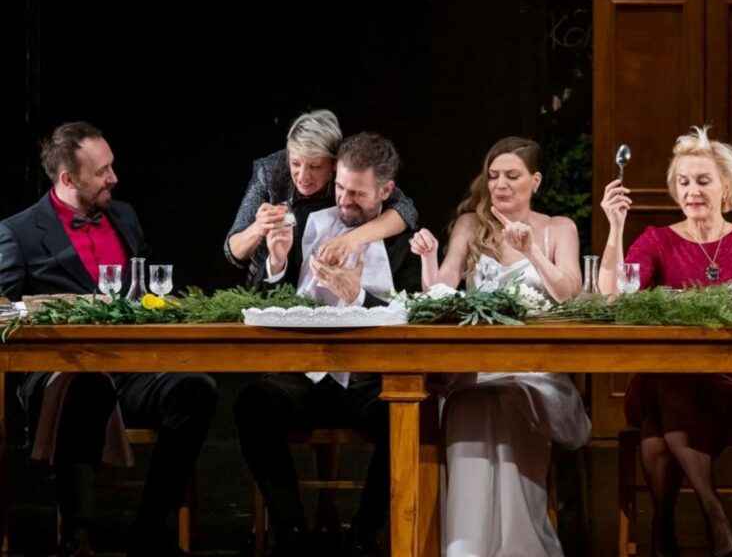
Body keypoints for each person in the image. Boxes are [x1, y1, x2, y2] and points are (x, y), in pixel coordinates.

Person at [0, 122, 217, 557]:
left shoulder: (124, 216)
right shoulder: (18, 231)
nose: (113, 178)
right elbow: (3, 308)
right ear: (67, 179)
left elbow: (149, 286)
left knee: (197, 389)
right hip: (61, 375)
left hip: (130, 369)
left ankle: (150, 532)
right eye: (101, 172)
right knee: (87, 385)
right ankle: (76, 535)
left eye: (111, 166)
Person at [598, 127, 732, 557]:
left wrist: (725, 300)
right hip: (659, 384)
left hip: (725, 385)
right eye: (683, 182)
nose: (691, 191)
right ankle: (716, 521)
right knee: (669, 379)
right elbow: (614, 297)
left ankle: (662, 530)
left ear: (726, 186)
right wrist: (616, 226)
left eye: (703, 180)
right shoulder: (657, 239)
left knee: (655, 434)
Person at [234, 132, 421, 557]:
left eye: (357, 193)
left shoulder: (404, 240)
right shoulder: (311, 222)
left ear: (386, 191)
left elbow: (415, 317)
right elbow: (270, 304)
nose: (344, 200)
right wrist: (277, 262)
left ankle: (365, 534)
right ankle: (292, 533)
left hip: (370, 381)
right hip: (308, 377)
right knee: (253, 404)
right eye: (339, 187)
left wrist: (359, 297)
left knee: (408, 413)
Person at [409, 136, 590, 556]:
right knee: (467, 405)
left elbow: (569, 295)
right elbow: (441, 289)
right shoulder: (471, 226)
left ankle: (517, 547)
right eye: (493, 176)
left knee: (507, 400)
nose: (500, 184)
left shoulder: (559, 228)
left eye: (512, 175)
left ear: (535, 181)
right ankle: (466, 547)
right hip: (477, 373)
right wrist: (428, 259)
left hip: (538, 374)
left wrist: (533, 252)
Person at [224, 109, 418, 289]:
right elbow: (232, 252)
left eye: (315, 166)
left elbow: (405, 210)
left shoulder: (347, 172)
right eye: (295, 163)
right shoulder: (270, 171)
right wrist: (259, 228)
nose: (302, 177)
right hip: (267, 281)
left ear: (334, 164)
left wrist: (350, 240)